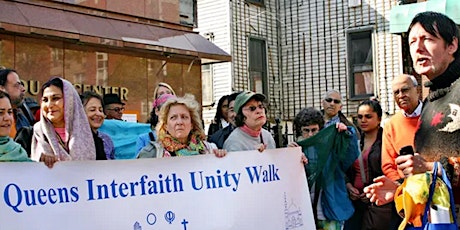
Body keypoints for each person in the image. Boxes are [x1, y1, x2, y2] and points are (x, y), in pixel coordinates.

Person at [365, 11, 460, 210]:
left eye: (427, 39)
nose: (418, 48)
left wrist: (434, 169)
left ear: (452, 45)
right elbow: (426, 177)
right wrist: (400, 189)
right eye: (412, 42)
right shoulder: (430, 102)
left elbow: (432, 168)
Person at [288, 107, 359, 230]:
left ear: (321, 129)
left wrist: (347, 134)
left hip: (329, 209)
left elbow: (349, 156)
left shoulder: (330, 146)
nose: (310, 134)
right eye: (306, 130)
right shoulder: (295, 149)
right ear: (300, 131)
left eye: (314, 130)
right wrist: (288, 155)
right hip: (305, 209)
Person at [344, 100, 399, 230]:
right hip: (355, 203)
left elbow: (391, 171)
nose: (363, 120)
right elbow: (345, 169)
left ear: (379, 119)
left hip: (379, 204)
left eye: (368, 116)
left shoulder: (387, 142)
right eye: (360, 116)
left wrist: (373, 191)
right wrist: (349, 186)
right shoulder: (354, 142)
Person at [31, 77, 96, 168]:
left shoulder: (89, 134)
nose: (49, 105)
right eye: (45, 100)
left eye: (55, 98)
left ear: (70, 101)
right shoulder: (35, 132)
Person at [137, 94, 226, 158]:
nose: (179, 122)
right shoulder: (151, 153)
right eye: (173, 117)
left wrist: (221, 157)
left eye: (184, 117)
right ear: (166, 125)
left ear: (192, 124)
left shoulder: (209, 149)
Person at [381, 74, 422, 182]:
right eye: (396, 92)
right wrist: (403, 186)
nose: (400, 95)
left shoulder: (434, 115)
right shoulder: (391, 125)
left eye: (405, 90)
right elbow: (388, 165)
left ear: (418, 90)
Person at [0, 69, 34, 155]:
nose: (23, 89)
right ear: (1, 88)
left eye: (9, 112)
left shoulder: (24, 118)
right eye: (17, 85)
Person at [81, 91, 115, 160]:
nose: (98, 114)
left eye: (100, 110)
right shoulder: (74, 139)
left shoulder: (106, 140)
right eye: (92, 110)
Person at [0, 91, 32, 162]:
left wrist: (43, 164)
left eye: (9, 112)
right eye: (0, 113)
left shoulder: (18, 152)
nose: (7, 118)